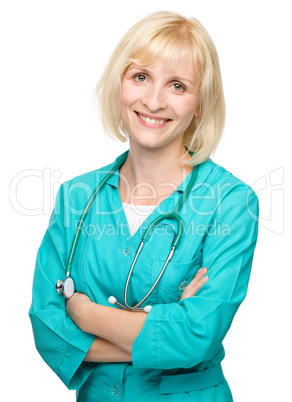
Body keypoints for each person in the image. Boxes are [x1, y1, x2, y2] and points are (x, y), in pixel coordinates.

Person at [29, 10, 259, 402]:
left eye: (177, 86)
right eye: (140, 77)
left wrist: (87, 316)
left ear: (200, 102)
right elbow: (48, 330)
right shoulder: (76, 197)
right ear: (120, 84)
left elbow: (198, 338)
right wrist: (159, 330)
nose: (153, 100)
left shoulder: (231, 203)